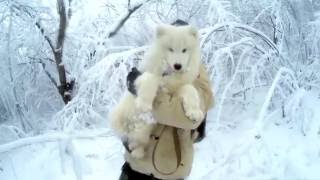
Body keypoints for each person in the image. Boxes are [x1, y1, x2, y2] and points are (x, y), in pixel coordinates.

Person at [119, 20, 214, 180]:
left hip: (168, 169)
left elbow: (187, 119)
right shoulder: (153, 62)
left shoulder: (198, 74)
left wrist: (146, 92)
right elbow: (130, 108)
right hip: (135, 165)